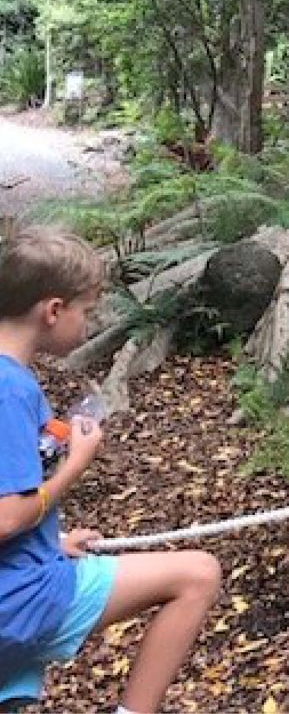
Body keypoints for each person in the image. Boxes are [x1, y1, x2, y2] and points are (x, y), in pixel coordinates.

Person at [0, 227, 221, 714]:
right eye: (88, 311)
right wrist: (75, 464)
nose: (90, 324)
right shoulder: (9, 389)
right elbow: (7, 518)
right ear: (53, 311)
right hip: (16, 604)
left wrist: (51, 546)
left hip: (19, 577)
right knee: (198, 574)